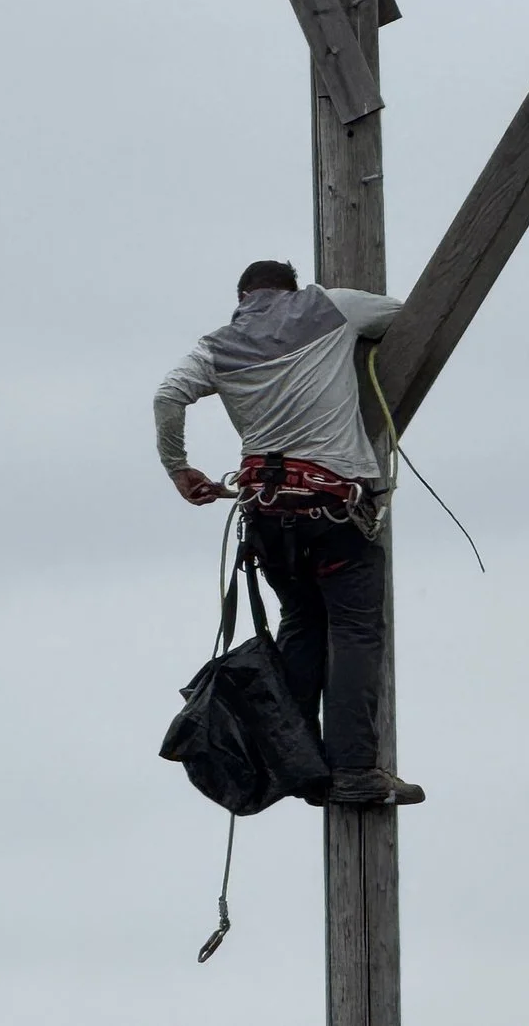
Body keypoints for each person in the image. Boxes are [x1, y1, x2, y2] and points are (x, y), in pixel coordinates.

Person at [152, 258, 426, 807]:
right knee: (353, 632)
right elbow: (403, 317)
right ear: (289, 288)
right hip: (330, 511)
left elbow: (168, 395)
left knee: (301, 624)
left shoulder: (216, 346)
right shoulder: (328, 304)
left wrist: (179, 468)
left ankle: (299, 764)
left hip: (268, 519)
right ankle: (353, 771)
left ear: (242, 296)